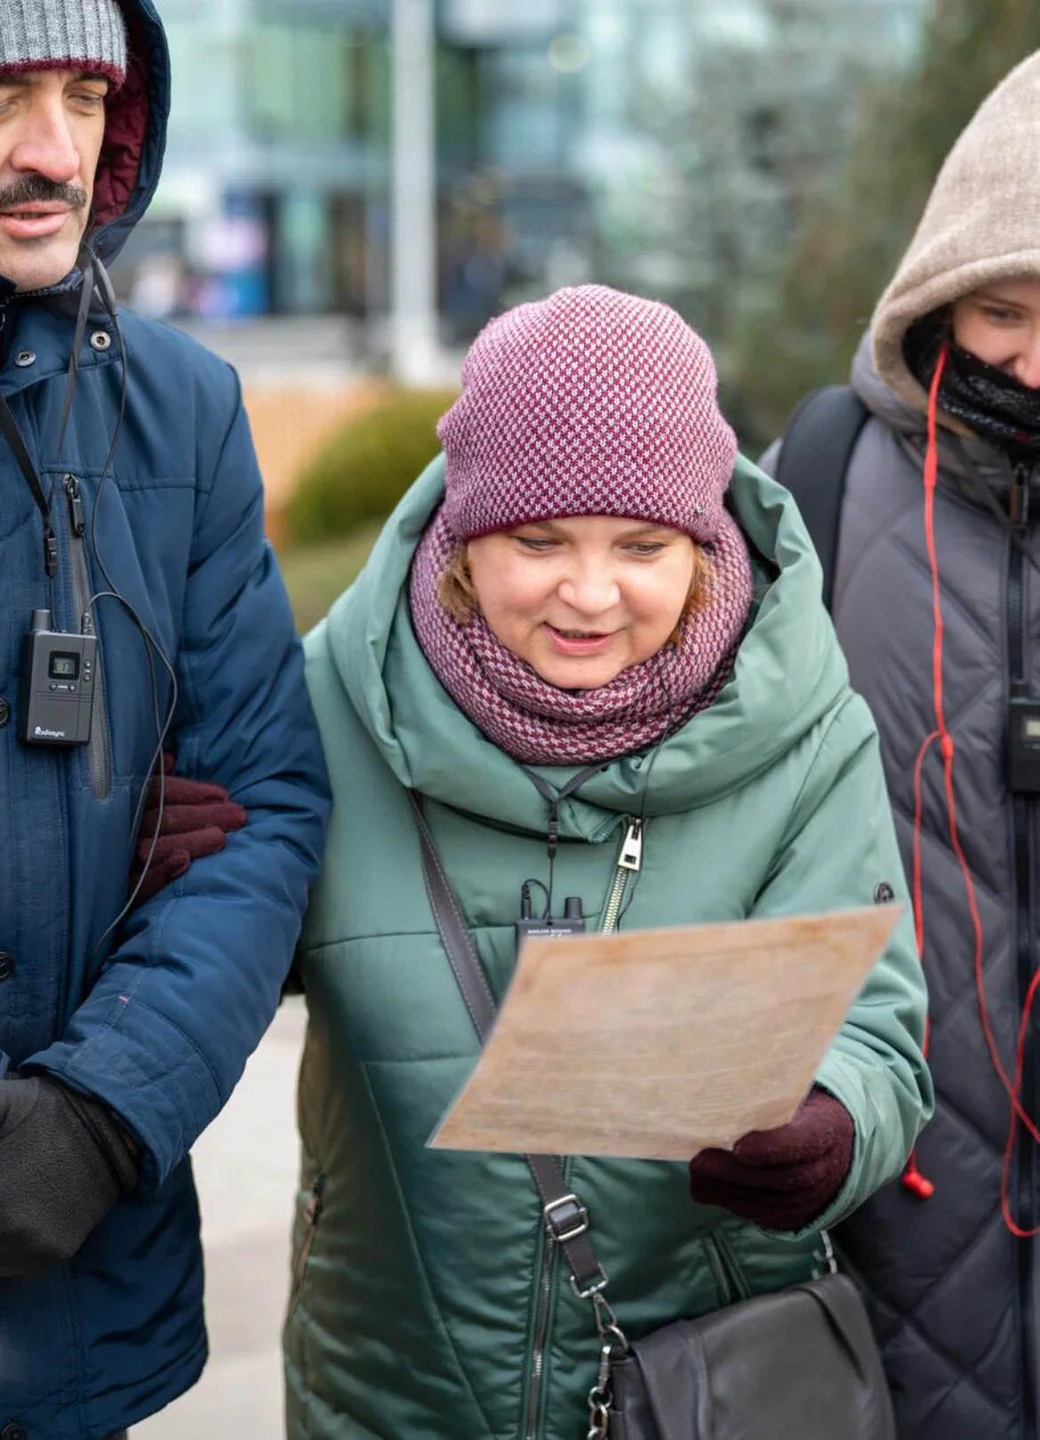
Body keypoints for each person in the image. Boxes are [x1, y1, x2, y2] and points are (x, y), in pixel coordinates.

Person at [284, 283, 931, 1439]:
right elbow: (216, 958)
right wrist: (157, 864)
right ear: (464, 534)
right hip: (388, 1390)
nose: (589, 595)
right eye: (538, 542)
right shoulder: (324, 699)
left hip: (701, 1383)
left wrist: (831, 1126)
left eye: (641, 546)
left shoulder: (806, 723)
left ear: (702, 541)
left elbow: (877, 1029)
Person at [0, 3, 330, 1438]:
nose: (52, 152)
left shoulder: (183, 412)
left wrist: (103, 1111)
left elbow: (264, 804)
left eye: (88, 98)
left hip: (83, 1284)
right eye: (4, 96)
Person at [760, 52, 1040, 1440]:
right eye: (1004, 311)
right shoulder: (821, 477)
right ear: (937, 299)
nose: (1035, 363)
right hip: (890, 1186)